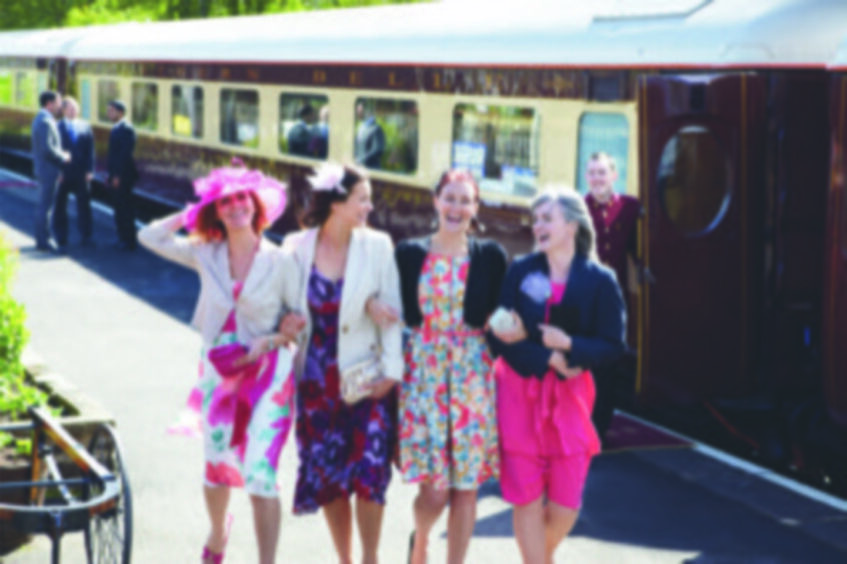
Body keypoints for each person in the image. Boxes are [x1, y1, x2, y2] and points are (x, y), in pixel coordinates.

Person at [138, 162, 297, 564]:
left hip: (269, 373)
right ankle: (217, 531)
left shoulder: (281, 261)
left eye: (241, 197)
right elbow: (148, 236)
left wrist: (277, 336)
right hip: (219, 373)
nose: (235, 206)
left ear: (255, 204)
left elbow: (301, 320)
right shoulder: (204, 253)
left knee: (261, 473)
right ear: (216, 212)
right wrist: (188, 213)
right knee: (216, 466)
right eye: (223, 201)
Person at [489, 187, 626, 564]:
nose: (538, 226)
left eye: (547, 218)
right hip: (519, 393)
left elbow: (613, 345)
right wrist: (548, 356)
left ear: (571, 225)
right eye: (536, 219)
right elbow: (497, 337)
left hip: (570, 400)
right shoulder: (520, 270)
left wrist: (571, 344)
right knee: (527, 500)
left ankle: (540, 556)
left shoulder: (601, 280)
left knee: (565, 508)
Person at [281, 162, 402, 564]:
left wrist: (392, 373)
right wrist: (285, 323)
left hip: (367, 378)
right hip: (317, 381)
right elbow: (281, 305)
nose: (369, 207)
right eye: (362, 199)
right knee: (330, 479)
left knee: (370, 474)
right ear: (337, 203)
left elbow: (393, 312)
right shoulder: (296, 248)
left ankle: (370, 558)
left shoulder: (379, 246)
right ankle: (345, 560)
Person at [392, 169, 507, 564]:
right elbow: (394, 310)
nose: (456, 207)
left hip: (472, 374)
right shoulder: (409, 254)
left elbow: (502, 311)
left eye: (465, 200)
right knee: (435, 491)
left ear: (475, 209)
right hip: (424, 373)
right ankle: (421, 541)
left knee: (467, 486)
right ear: (436, 201)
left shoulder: (491, 257)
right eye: (450, 198)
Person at [584, 152, 641, 438]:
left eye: (602, 172)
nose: (597, 178)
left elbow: (637, 246)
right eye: (592, 173)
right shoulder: (579, 208)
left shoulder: (630, 208)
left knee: (609, 361)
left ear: (614, 176)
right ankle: (584, 424)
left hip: (614, 298)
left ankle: (600, 426)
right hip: (585, 296)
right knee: (586, 360)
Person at [30, 90, 70, 252]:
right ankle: (43, 241)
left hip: (45, 169)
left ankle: (43, 239)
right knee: (45, 207)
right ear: (49, 103)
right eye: (58, 102)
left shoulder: (41, 119)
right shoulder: (45, 121)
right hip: (48, 170)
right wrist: (63, 157)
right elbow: (48, 148)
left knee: (45, 206)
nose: (60, 106)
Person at [55, 96, 94, 249]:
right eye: (70, 108)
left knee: (84, 206)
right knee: (60, 206)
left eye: (75, 108)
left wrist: (90, 170)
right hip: (64, 173)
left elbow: (90, 151)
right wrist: (58, 171)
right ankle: (61, 236)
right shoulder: (57, 127)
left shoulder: (85, 127)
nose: (73, 111)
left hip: (81, 173)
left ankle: (87, 236)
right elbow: (54, 151)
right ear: (64, 110)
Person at [106, 100, 138, 250]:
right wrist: (110, 174)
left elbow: (124, 155)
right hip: (117, 174)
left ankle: (128, 239)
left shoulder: (127, 129)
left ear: (121, 112)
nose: (109, 113)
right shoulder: (116, 128)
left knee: (125, 207)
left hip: (124, 176)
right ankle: (121, 237)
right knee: (118, 206)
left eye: (112, 111)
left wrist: (118, 175)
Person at [354, 103, 385, 170]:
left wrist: (361, 160)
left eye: (359, 110)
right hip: (360, 169)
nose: (357, 112)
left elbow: (377, 150)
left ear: (367, 110)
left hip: (372, 169)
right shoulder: (361, 127)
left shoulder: (376, 128)